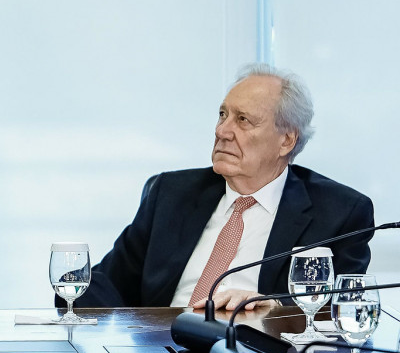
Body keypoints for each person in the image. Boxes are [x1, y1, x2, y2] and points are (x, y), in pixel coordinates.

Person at [71, 64, 374, 310]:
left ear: (286, 140)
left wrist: (274, 309)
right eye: (222, 115)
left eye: (243, 120)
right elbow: (103, 283)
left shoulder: (339, 214)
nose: (222, 131)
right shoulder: (171, 194)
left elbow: (341, 306)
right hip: (161, 351)